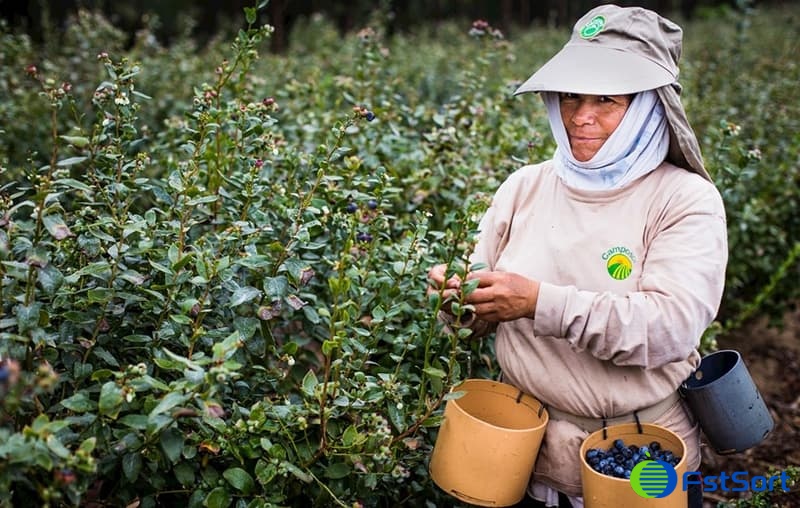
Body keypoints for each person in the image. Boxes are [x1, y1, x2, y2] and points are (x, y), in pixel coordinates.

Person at [427, 4, 728, 508]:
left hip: (637, 458)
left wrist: (536, 303)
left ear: (649, 107)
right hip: (522, 452)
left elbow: (671, 326)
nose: (580, 116)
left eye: (606, 99)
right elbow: (474, 310)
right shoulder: (524, 187)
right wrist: (459, 303)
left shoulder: (684, 200)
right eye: (570, 96)